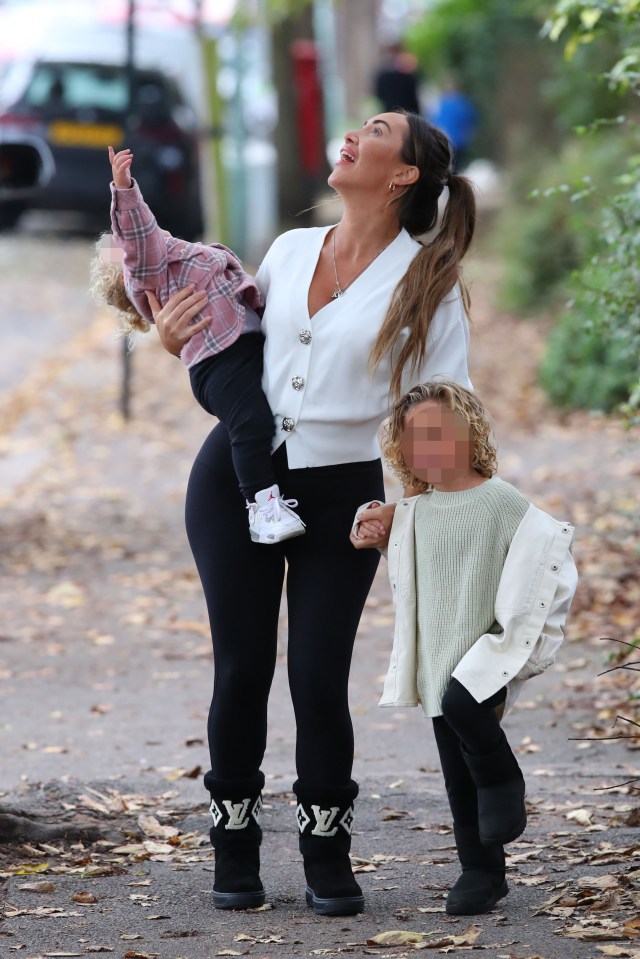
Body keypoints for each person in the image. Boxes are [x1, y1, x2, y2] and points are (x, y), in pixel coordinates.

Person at [144, 111, 477, 916]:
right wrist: (172, 342)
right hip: (235, 477)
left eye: (378, 129)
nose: (352, 135)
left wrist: (407, 506)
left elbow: (444, 407)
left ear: (403, 175)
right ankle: (234, 848)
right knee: (242, 667)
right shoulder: (291, 250)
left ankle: (328, 852)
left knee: (318, 676)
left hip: (346, 497)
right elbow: (239, 355)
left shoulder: (426, 281)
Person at [351, 380, 578, 915]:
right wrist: (379, 534)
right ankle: (482, 873)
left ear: (468, 434)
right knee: (455, 771)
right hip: (439, 654)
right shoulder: (415, 511)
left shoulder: (502, 502)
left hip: (489, 654)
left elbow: (541, 557)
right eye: (414, 438)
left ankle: (505, 778)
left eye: (439, 433)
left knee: (464, 710)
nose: (427, 447)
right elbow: (417, 571)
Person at [91, 146, 305, 545]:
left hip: (235, 350)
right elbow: (136, 235)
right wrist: (124, 190)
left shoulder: (179, 260)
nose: (156, 233)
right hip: (219, 362)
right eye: (130, 249)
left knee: (265, 412)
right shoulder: (150, 269)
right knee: (251, 422)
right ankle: (263, 505)